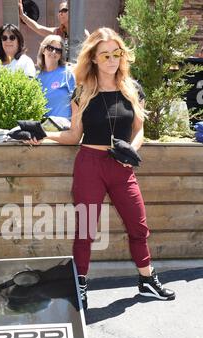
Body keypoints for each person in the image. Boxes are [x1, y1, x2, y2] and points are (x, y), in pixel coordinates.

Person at [28, 27, 176, 308]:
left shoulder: (132, 89)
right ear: (93, 58)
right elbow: (73, 136)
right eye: (105, 54)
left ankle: (146, 280)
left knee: (139, 226)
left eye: (116, 53)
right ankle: (80, 283)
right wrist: (43, 135)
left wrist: (132, 150)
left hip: (122, 169)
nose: (112, 59)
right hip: (90, 165)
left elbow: (139, 129)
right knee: (85, 229)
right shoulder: (83, 92)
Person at [36, 34, 75, 119]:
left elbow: (78, 102)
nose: (54, 52)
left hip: (65, 128)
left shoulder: (67, 73)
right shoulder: (37, 78)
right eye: (50, 48)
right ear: (43, 50)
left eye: (58, 50)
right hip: (44, 128)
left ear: (61, 55)